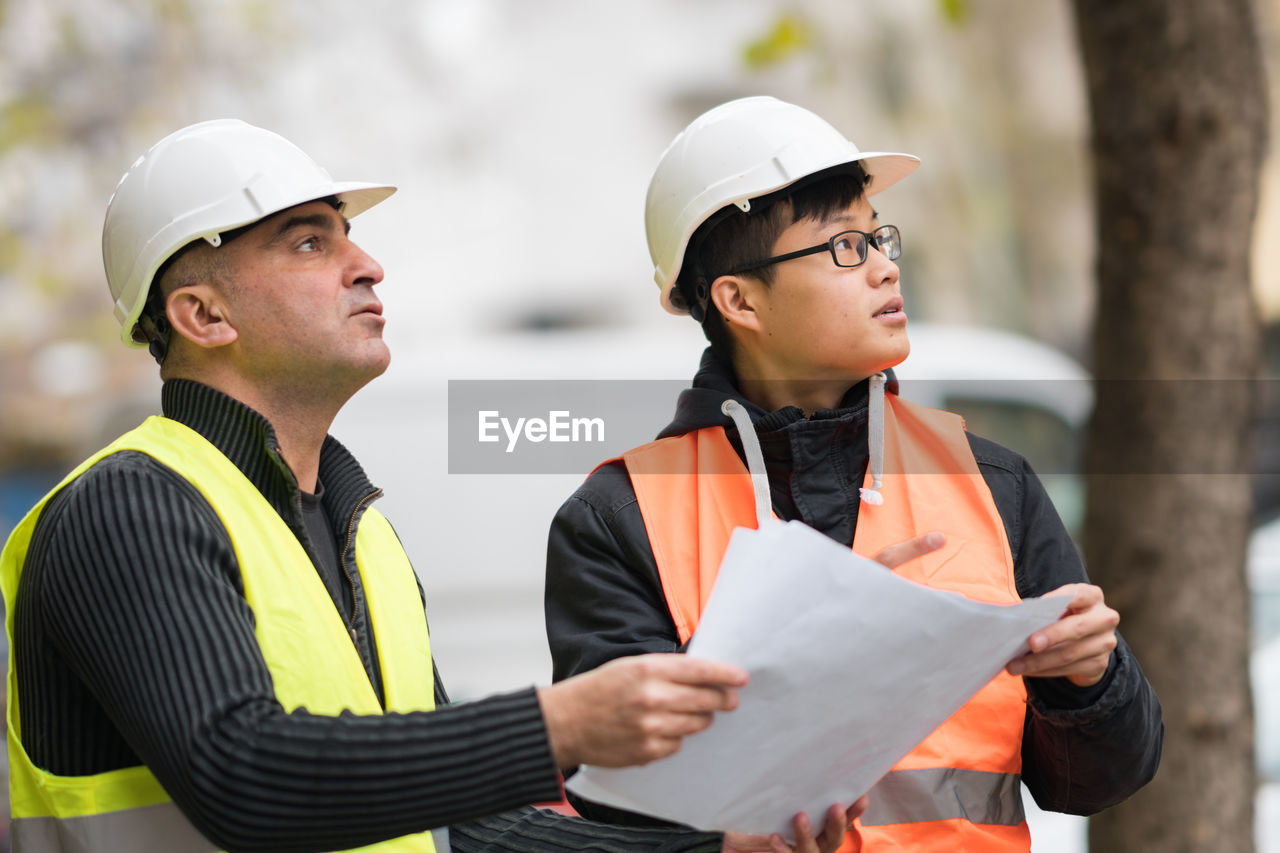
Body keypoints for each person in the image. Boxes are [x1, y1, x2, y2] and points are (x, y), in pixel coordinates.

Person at [0, 119, 864, 853]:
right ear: (203, 316)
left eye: (349, 234)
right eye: (310, 240)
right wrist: (556, 724)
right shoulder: (125, 508)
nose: (367, 262)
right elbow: (241, 771)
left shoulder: (359, 529)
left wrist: (707, 848)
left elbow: (459, 827)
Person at [544, 96, 1164, 851]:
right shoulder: (620, 518)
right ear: (739, 300)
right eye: (844, 247)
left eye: (879, 237)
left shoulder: (993, 482)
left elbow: (1095, 781)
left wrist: (1090, 680)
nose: (883, 266)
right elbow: (621, 815)